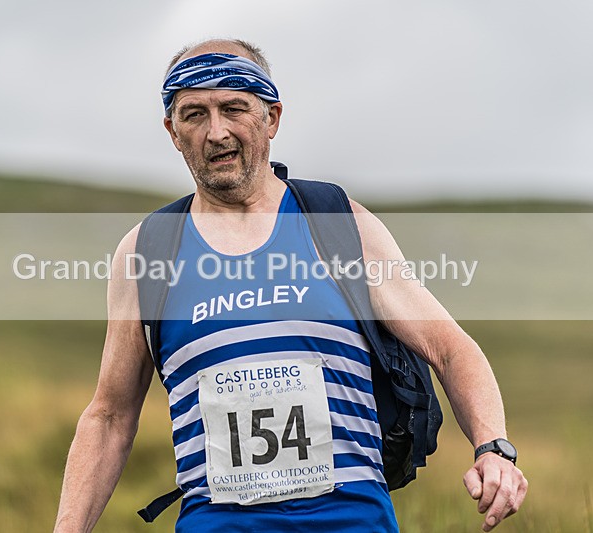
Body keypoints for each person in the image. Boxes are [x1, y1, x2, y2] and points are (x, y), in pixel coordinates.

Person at [54, 38, 528, 532]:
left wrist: (493, 447)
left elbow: (450, 348)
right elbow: (109, 414)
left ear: (271, 118)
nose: (216, 132)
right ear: (173, 131)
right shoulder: (147, 252)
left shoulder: (338, 223)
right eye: (193, 114)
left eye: (234, 107)